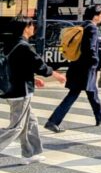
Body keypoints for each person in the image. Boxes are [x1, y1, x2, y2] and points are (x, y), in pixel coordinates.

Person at [1, 18, 66, 164]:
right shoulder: (24, 46)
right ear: (26, 27)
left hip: (12, 87)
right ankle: (30, 152)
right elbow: (40, 66)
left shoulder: (10, 44)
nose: (34, 28)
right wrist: (56, 75)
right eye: (32, 25)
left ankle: (30, 153)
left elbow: (17, 67)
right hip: (20, 91)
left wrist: (33, 79)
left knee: (31, 122)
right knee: (16, 127)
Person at [46, 5, 101, 133]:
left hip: (76, 66)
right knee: (74, 94)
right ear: (97, 15)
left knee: (92, 93)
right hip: (86, 68)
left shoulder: (82, 26)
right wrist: (96, 63)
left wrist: (100, 41)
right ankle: (53, 121)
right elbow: (89, 48)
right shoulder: (92, 28)